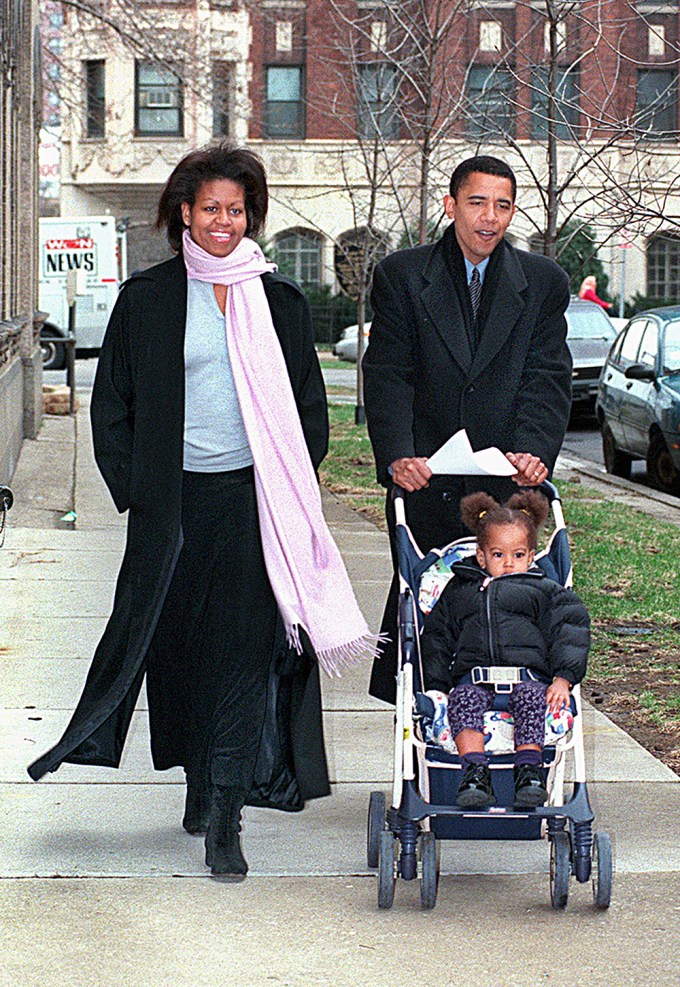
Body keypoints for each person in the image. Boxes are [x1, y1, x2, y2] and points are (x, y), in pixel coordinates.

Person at [28, 141, 380, 880]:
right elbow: (113, 407)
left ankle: (226, 813)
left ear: (251, 215)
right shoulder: (149, 299)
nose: (225, 222)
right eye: (212, 208)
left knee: (242, 657)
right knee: (178, 654)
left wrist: (289, 482)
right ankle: (197, 781)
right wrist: (139, 495)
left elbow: (307, 410)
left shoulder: (278, 302)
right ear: (184, 213)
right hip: (172, 509)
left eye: (238, 209)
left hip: (253, 507)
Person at [363, 154, 573, 703]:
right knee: (429, 610)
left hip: (503, 486)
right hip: (425, 481)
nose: (490, 217)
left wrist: (532, 453)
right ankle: (425, 726)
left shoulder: (543, 282)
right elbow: (388, 375)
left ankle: (506, 732)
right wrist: (398, 455)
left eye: (503, 205)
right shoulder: (403, 277)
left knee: (506, 618)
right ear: (451, 205)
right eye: (477, 202)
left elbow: (545, 376)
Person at [421, 490, 590, 809]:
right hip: (474, 678)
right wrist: (436, 687)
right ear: (482, 556)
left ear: (531, 555)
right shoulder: (460, 590)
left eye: (519, 555)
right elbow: (437, 638)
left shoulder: (544, 591)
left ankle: (529, 772)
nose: (509, 563)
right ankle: (474, 773)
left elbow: (570, 630)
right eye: (499, 555)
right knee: (462, 702)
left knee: (531, 701)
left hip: (529, 677)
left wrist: (563, 678)